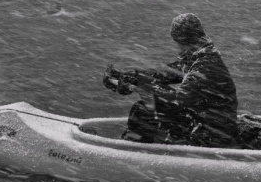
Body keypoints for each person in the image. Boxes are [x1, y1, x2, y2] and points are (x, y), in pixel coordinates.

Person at [100, 13, 239, 148]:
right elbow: (162, 75)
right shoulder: (197, 57)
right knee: (148, 106)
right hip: (205, 121)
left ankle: (135, 149)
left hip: (214, 131)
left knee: (143, 109)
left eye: (177, 42)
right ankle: (139, 143)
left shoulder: (206, 65)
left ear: (183, 40)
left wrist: (141, 86)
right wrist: (129, 76)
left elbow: (178, 99)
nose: (176, 46)